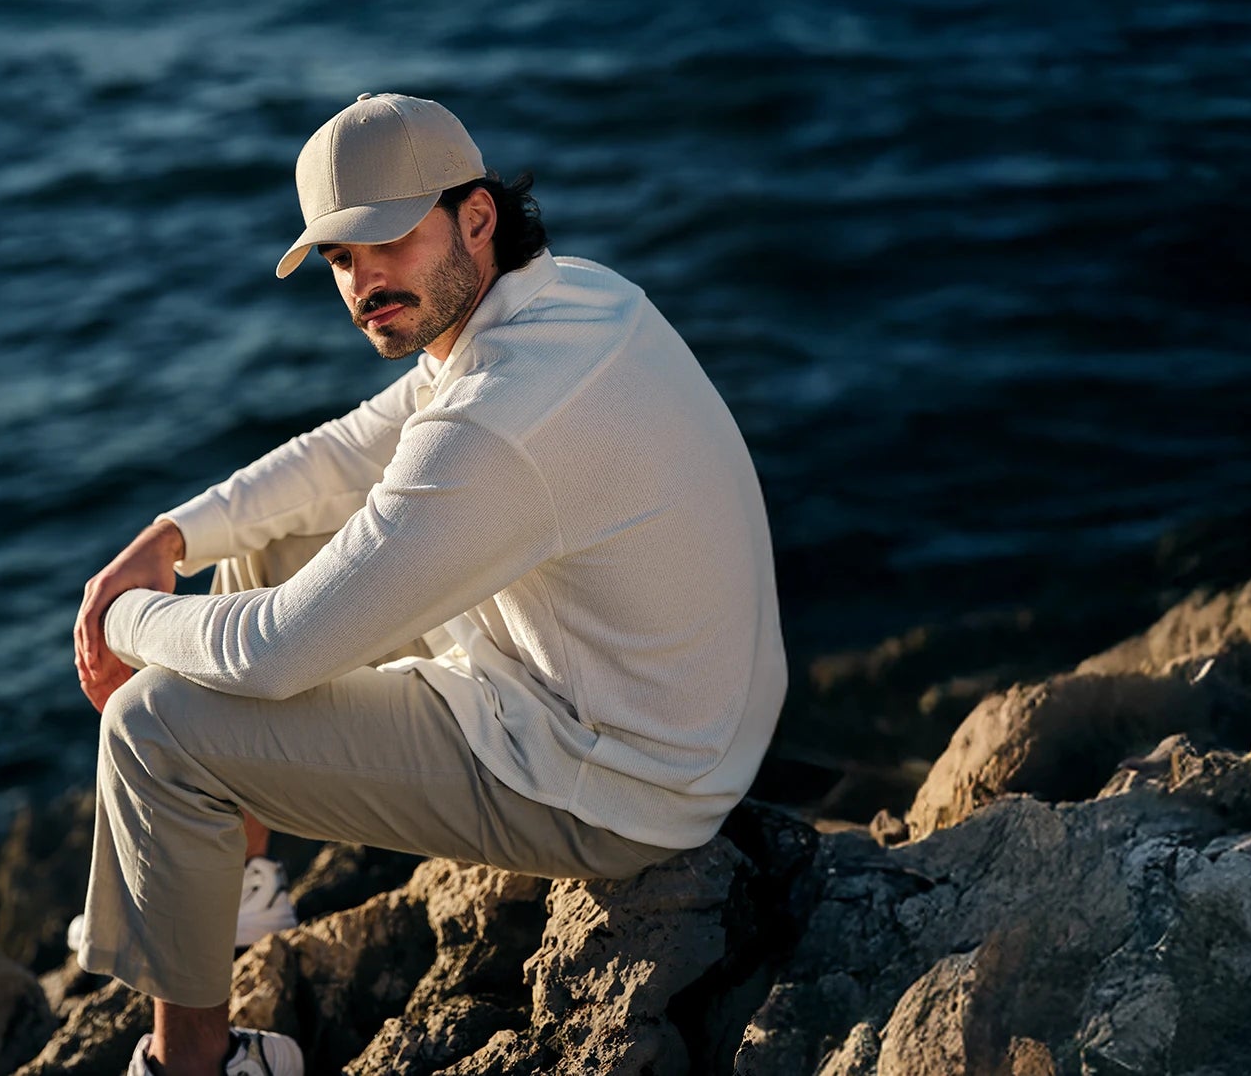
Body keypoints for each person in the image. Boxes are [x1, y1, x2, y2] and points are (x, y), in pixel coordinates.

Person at [65, 93, 785, 1076]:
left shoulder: (497, 417)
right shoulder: (573, 296)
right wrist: (173, 534)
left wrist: (127, 618)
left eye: (386, 242)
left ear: (477, 218)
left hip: (622, 782)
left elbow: (275, 653)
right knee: (267, 544)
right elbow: (357, 445)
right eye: (339, 259)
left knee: (156, 728)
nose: (365, 280)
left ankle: (200, 1061)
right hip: (680, 717)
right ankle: (228, 881)